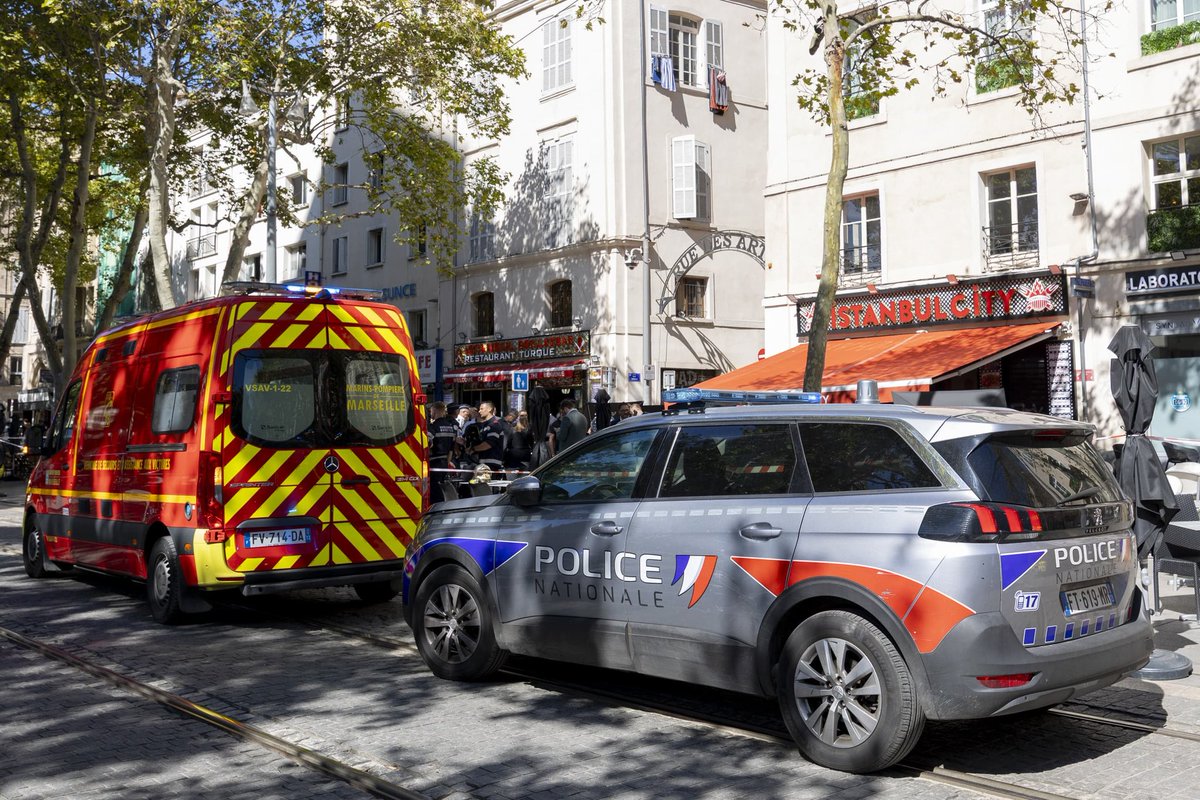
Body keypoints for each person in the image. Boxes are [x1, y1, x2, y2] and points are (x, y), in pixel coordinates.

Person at [426, 402, 458, 503]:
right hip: (444, 462)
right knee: (442, 487)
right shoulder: (450, 427)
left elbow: (428, 443)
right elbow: (452, 448)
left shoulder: (433, 426)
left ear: (434, 411)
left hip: (434, 462)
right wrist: (447, 462)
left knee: (434, 490)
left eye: (431, 411)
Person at [471, 401, 507, 471]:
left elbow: (488, 444)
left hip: (491, 464)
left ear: (489, 409)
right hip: (483, 462)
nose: (479, 411)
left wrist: (473, 449)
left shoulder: (494, 425)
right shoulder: (486, 425)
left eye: (482, 409)